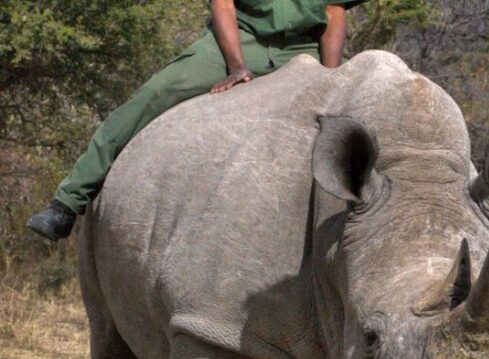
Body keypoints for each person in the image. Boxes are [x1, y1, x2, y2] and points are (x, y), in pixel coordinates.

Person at [27, 0, 367, 241]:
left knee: (365, 101)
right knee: (155, 93)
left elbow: (333, 12)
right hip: (241, 38)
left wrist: (330, 77)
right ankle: (67, 203)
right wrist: (236, 66)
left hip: (301, 46)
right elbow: (224, 5)